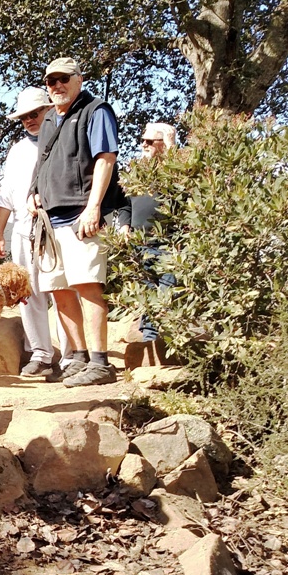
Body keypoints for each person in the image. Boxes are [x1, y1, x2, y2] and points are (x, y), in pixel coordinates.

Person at [29, 57, 126, 387]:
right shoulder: (47, 123)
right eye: (51, 81)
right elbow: (40, 166)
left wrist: (93, 207)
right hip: (50, 221)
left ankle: (100, 362)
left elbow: (106, 159)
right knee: (59, 290)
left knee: (87, 285)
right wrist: (32, 192)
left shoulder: (96, 110)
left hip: (80, 216)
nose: (57, 85)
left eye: (63, 79)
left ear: (79, 79)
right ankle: (79, 357)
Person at [0, 88, 59, 377]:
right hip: (22, 226)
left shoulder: (61, 141)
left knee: (61, 290)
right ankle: (40, 353)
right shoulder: (18, 150)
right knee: (27, 292)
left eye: (35, 113)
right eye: (24, 117)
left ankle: (71, 356)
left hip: (56, 224)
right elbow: (6, 195)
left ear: (48, 110)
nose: (30, 120)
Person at [131, 122, 178, 349]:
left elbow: (182, 189)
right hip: (141, 242)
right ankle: (149, 343)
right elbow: (125, 202)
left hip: (167, 242)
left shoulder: (175, 168)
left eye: (150, 141)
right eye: (143, 140)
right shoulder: (138, 171)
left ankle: (165, 341)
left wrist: (171, 149)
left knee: (167, 290)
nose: (144, 145)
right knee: (148, 292)